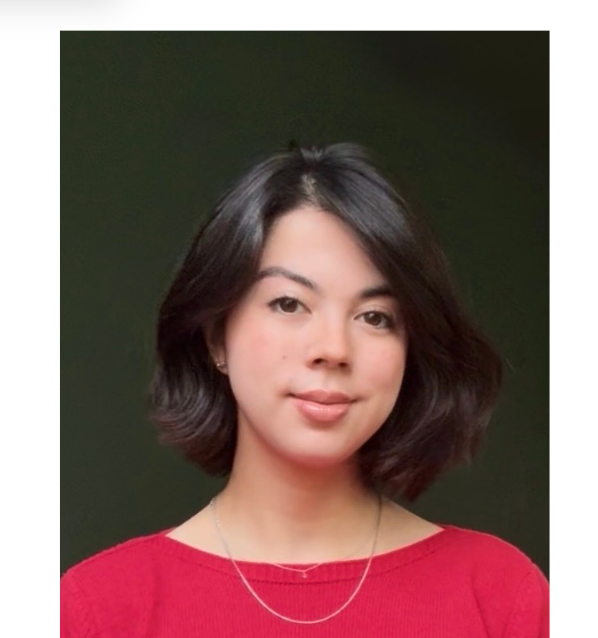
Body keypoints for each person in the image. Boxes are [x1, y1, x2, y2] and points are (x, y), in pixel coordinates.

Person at [61, 143, 549, 636]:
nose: (333, 349)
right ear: (216, 337)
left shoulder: (499, 595)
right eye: (289, 304)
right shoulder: (98, 609)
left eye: (375, 317)